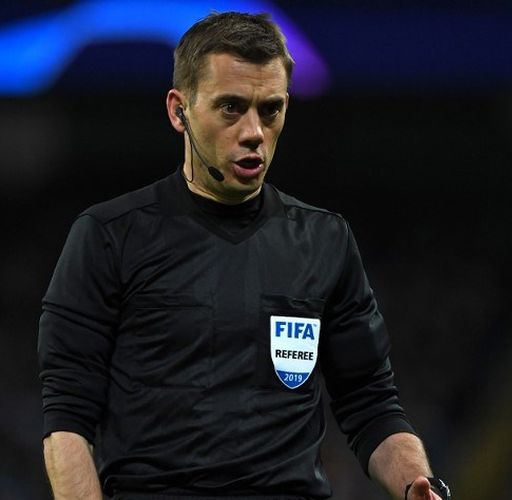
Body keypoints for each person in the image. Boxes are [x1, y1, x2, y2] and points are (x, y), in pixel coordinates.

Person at [38, 11, 450, 500]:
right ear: (179, 110)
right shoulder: (107, 237)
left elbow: (371, 406)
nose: (254, 131)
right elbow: (67, 420)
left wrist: (415, 484)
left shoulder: (325, 241)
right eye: (231, 108)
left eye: (270, 109)